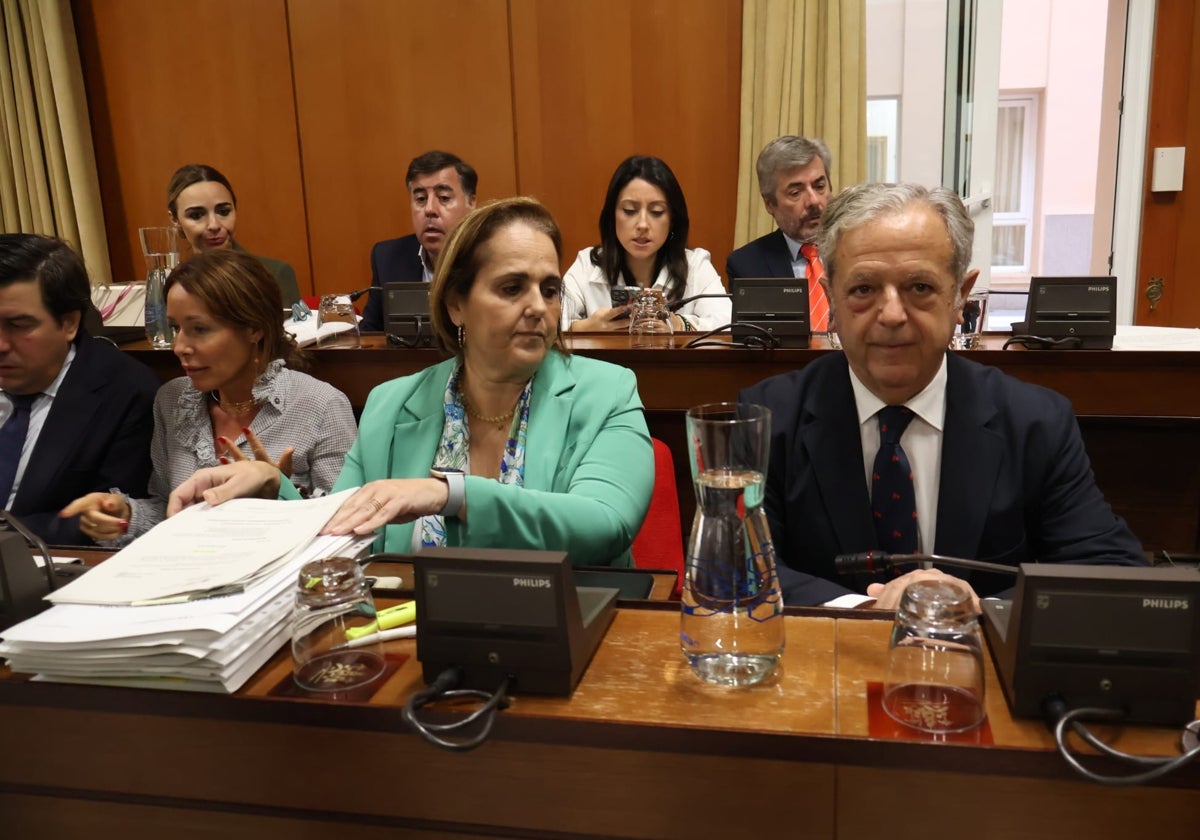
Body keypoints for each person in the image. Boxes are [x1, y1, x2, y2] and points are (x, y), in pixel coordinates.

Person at [169, 197, 655, 566]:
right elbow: (348, 529)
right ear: (456, 303)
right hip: (415, 639)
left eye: (550, 290)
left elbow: (605, 524)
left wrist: (451, 495)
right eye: (511, 287)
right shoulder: (391, 403)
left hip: (573, 637)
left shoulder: (606, 391)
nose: (538, 307)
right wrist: (275, 489)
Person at [738, 182, 1145, 608]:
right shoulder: (766, 417)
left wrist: (976, 610)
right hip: (825, 665)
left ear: (961, 297)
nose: (892, 315)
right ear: (830, 300)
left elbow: (1110, 569)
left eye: (919, 288)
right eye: (863, 289)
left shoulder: (1035, 422)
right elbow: (735, 564)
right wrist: (864, 611)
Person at [62, 250, 357, 543]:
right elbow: (168, 509)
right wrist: (124, 515)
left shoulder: (320, 405)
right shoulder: (172, 400)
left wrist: (279, 493)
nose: (179, 347)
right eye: (176, 328)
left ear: (254, 328)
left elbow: (346, 524)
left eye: (199, 329)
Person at [0, 234, 159, 546]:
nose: (1, 345)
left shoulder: (126, 392)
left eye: (19, 325)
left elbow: (103, 523)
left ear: (69, 323)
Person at [561, 155, 731, 334]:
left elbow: (728, 322)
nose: (642, 224)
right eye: (630, 211)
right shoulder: (587, 264)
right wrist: (586, 327)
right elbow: (548, 324)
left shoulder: (695, 266)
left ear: (672, 219)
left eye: (656, 212)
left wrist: (681, 324)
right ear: (612, 216)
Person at [360, 151, 478, 332]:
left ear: (471, 203)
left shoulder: (491, 258)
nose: (430, 209)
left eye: (444, 198)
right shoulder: (388, 258)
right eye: (421, 199)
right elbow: (370, 335)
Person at [726, 136, 834, 332]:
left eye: (819, 186)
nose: (813, 201)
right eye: (795, 193)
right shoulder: (747, 266)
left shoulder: (861, 252)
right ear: (769, 204)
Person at [166, 163, 302, 307]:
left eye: (224, 212)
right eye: (196, 215)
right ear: (175, 219)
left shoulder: (272, 274)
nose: (214, 225)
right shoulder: (172, 283)